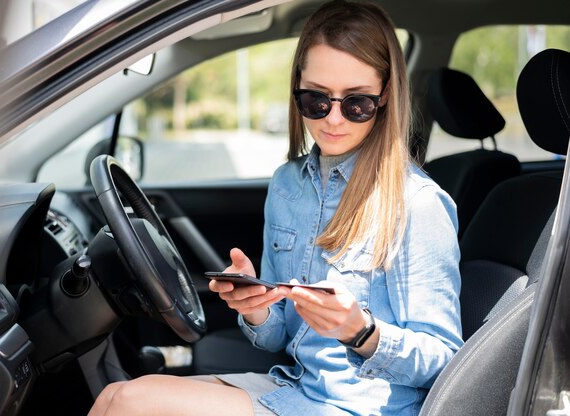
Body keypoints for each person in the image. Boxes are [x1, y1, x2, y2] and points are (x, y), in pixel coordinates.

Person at [88, 1, 463, 415]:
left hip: (363, 408)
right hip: (297, 386)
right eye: (316, 100)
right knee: (114, 397)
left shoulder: (417, 204)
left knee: (129, 402)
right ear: (296, 89)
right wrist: (258, 309)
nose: (334, 119)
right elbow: (277, 338)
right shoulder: (288, 185)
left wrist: (362, 332)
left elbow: (448, 360)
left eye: (356, 102)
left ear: (386, 94)